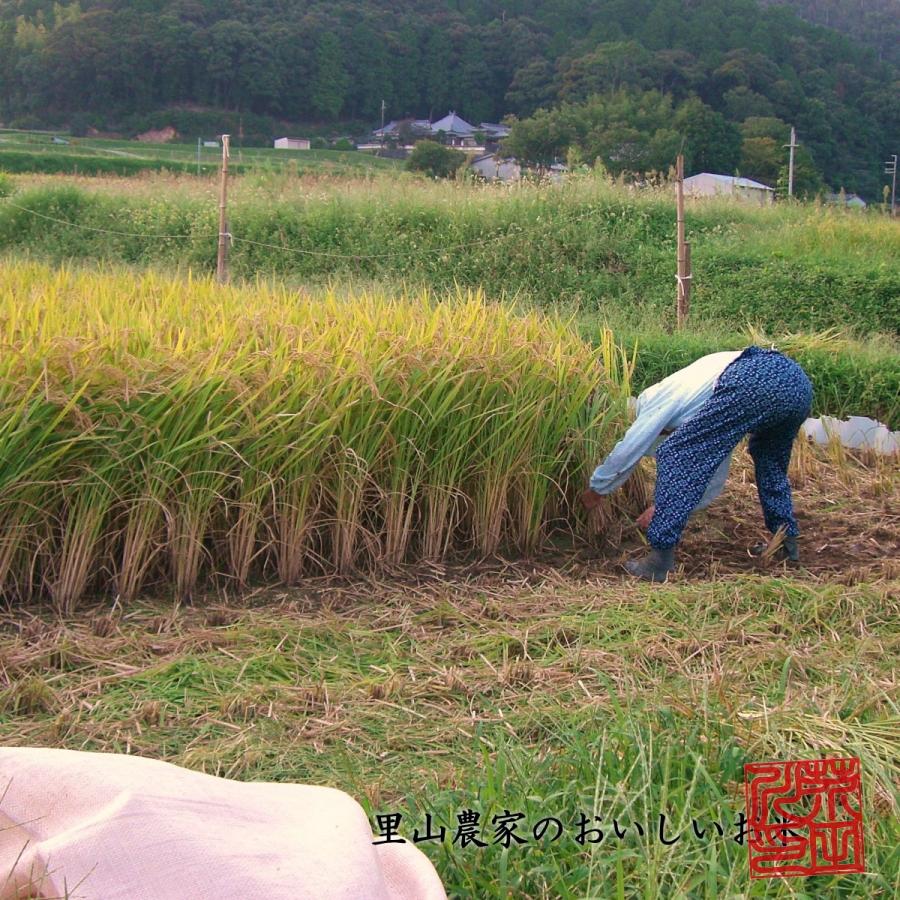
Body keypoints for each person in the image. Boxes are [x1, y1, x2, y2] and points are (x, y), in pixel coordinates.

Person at [581, 346, 813, 582]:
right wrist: (665, 508)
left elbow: (630, 448)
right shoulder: (698, 401)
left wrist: (598, 489)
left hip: (751, 376)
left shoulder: (656, 400)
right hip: (796, 383)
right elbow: (712, 476)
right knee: (771, 464)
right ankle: (785, 544)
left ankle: (658, 562)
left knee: (674, 453)